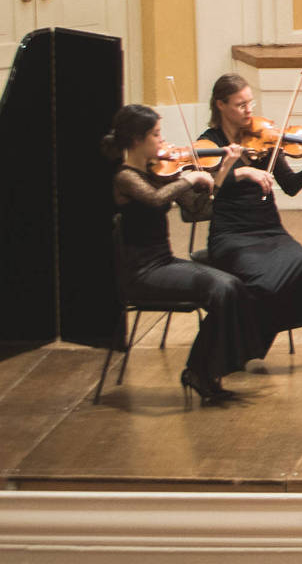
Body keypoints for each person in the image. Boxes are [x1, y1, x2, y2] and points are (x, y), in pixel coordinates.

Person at [104, 104, 264, 404]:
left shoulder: (160, 171)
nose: (163, 141)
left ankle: (207, 369)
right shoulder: (126, 177)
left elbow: (199, 211)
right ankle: (200, 371)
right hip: (142, 273)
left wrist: (221, 171)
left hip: (164, 263)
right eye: (156, 135)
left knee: (233, 285)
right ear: (137, 140)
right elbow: (153, 200)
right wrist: (187, 180)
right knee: (221, 287)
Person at [198, 75, 302, 373]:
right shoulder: (210, 143)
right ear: (221, 105)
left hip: (268, 228)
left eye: (251, 102)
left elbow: (290, 186)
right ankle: (250, 340)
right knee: (265, 282)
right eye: (240, 104)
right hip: (231, 234)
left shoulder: (265, 136)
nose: (249, 110)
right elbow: (206, 188)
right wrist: (241, 172)